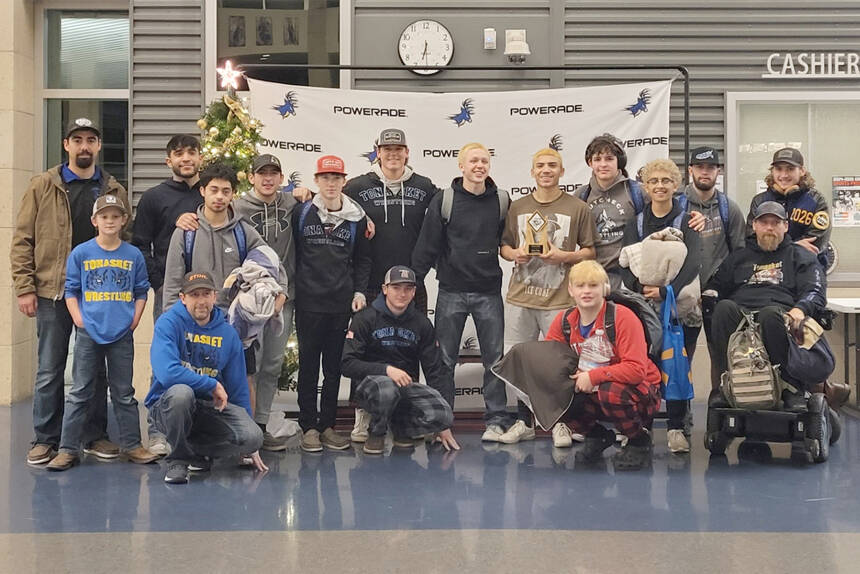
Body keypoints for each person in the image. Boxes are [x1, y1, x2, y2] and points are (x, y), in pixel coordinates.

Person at [11, 118, 128, 465]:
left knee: (96, 369)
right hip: (52, 291)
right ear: (66, 145)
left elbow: (126, 239)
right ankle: (45, 438)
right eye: (77, 140)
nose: (84, 146)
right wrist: (24, 287)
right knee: (50, 367)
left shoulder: (112, 188)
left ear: (98, 146)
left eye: (91, 140)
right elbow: (22, 240)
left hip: (100, 295)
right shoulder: (43, 185)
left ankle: (94, 435)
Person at [343, 128, 442, 442]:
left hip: (410, 283)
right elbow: (331, 206)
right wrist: (304, 193)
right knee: (363, 348)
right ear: (377, 151)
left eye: (398, 149)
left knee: (408, 346)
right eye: (387, 149)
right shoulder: (357, 187)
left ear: (407, 152)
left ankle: (406, 415)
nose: (393, 154)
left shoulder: (425, 187)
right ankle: (362, 415)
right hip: (372, 283)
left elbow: (445, 217)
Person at [47, 195, 158, 470]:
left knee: (123, 392)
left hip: (122, 333)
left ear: (123, 220)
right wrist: (79, 319)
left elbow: (141, 290)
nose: (110, 221)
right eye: (104, 216)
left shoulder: (132, 255)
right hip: (89, 332)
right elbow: (71, 290)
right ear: (95, 221)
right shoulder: (81, 253)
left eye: (115, 216)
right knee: (80, 391)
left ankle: (132, 445)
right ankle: (67, 449)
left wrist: (134, 319)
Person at [412, 142, 512, 441]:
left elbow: (508, 243)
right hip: (451, 292)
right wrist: (411, 282)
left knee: (495, 359)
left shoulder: (503, 201)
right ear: (461, 166)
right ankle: (441, 420)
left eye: (484, 160)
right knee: (444, 360)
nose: (479, 166)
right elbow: (427, 245)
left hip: (489, 293)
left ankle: (496, 419)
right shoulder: (445, 200)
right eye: (473, 161)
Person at [498, 147, 597, 446]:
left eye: (552, 165)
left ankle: (560, 424)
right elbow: (504, 246)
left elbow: (591, 251)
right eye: (540, 165)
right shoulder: (517, 207)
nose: (546, 170)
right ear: (532, 172)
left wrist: (565, 256)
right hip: (520, 298)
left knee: (559, 367)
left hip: (560, 301)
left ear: (562, 171)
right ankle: (523, 421)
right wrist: (515, 254)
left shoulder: (578, 208)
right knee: (517, 363)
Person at [146, 271, 266, 484]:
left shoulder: (228, 334)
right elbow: (167, 373)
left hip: (208, 409)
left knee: (253, 437)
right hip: (167, 407)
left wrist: (250, 447)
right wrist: (211, 384)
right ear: (183, 298)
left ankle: (196, 449)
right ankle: (179, 460)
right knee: (182, 393)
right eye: (194, 295)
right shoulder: (168, 323)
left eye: (206, 294)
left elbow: (238, 389)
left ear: (214, 296)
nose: (201, 301)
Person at [707, 201, 827, 410]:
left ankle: (790, 387)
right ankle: (727, 385)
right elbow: (716, 286)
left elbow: (815, 290)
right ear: (754, 225)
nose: (769, 228)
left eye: (775, 222)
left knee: (770, 315)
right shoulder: (738, 257)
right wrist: (709, 295)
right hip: (741, 316)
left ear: (786, 226)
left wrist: (800, 309)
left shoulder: (800, 256)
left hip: (781, 315)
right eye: (764, 222)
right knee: (722, 308)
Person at [545, 260, 660, 471]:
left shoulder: (623, 317)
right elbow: (550, 364)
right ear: (571, 290)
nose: (586, 291)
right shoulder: (564, 321)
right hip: (592, 388)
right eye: (580, 286)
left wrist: (593, 376)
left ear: (605, 288)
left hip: (639, 391)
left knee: (611, 391)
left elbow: (636, 370)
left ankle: (637, 440)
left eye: (593, 285)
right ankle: (596, 436)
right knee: (553, 394)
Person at [620, 159, 701, 454]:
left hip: (680, 312)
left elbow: (693, 262)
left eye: (666, 180)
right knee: (644, 369)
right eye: (653, 181)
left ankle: (677, 428)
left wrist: (667, 291)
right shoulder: (636, 223)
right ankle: (640, 426)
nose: (660, 186)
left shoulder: (687, 221)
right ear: (645, 187)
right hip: (642, 311)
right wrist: (642, 290)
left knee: (676, 368)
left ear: (676, 185)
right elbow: (625, 263)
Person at [131, 134, 204, 456]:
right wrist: (160, 283)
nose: (185, 158)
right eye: (178, 154)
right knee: (166, 361)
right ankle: (158, 431)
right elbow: (139, 245)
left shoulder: (211, 193)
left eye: (191, 152)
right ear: (168, 160)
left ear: (200, 158)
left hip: (207, 296)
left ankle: (200, 431)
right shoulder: (153, 198)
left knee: (204, 360)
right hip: (170, 295)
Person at [293, 155, 371, 452]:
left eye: (336, 178)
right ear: (316, 181)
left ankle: (327, 426)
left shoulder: (356, 217)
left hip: (340, 305)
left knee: (334, 369)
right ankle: (308, 427)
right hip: (309, 304)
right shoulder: (301, 213)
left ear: (343, 181)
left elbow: (364, 259)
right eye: (325, 178)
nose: (330, 183)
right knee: (309, 367)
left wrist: (359, 291)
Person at [341, 265, 458, 454]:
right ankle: (376, 433)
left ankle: (403, 427)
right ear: (385, 289)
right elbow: (347, 364)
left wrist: (443, 425)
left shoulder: (422, 323)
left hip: (405, 388)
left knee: (444, 413)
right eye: (396, 288)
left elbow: (435, 370)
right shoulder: (365, 318)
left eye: (408, 289)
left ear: (414, 292)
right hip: (371, 387)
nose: (401, 294)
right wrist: (387, 370)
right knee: (387, 387)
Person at [232, 154, 297, 452]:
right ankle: (243, 428)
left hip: (284, 298)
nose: (268, 178)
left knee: (271, 364)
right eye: (262, 173)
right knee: (248, 366)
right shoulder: (237, 207)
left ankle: (260, 426)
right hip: (249, 299)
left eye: (274, 173)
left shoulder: (293, 204)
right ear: (251, 177)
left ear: (281, 178)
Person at [681, 146, 746, 399]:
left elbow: (739, 255)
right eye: (699, 167)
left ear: (718, 171)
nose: (704, 172)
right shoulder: (677, 204)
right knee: (682, 355)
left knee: (720, 354)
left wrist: (721, 289)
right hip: (683, 294)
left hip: (716, 295)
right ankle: (682, 414)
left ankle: (719, 412)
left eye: (710, 168)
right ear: (690, 170)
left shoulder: (729, 208)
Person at [576, 134, 645, 290]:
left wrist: (693, 217)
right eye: (597, 159)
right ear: (590, 163)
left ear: (619, 162)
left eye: (609, 159)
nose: (603, 164)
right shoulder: (581, 195)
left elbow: (666, 214)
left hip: (628, 279)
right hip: (592, 278)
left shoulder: (638, 192)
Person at [746, 147, 831, 259]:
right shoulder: (760, 201)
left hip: (806, 269)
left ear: (802, 171)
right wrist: (793, 246)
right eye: (779, 169)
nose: (784, 175)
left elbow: (815, 243)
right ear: (772, 171)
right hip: (770, 269)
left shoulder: (817, 200)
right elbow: (752, 239)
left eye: (790, 169)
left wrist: (777, 247)